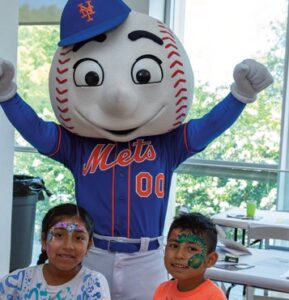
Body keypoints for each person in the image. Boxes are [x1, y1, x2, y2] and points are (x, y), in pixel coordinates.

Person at [0, 0, 273, 298]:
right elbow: (37, 131)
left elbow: (207, 126)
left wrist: (239, 96)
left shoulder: (167, 144)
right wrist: (8, 95)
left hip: (147, 257)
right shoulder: (78, 146)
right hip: (94, 252)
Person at [0, 203, 111, 299]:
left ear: (88, 246)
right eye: (59, 235)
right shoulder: (15, 282)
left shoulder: (94, 284)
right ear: (44, 240)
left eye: (78, 238)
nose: (68, 246)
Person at [153, 212, 226, 300]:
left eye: (191, 249)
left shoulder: (214, 297)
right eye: (174, 246)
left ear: (210, 260)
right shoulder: (162, 290)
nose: (179, 255)